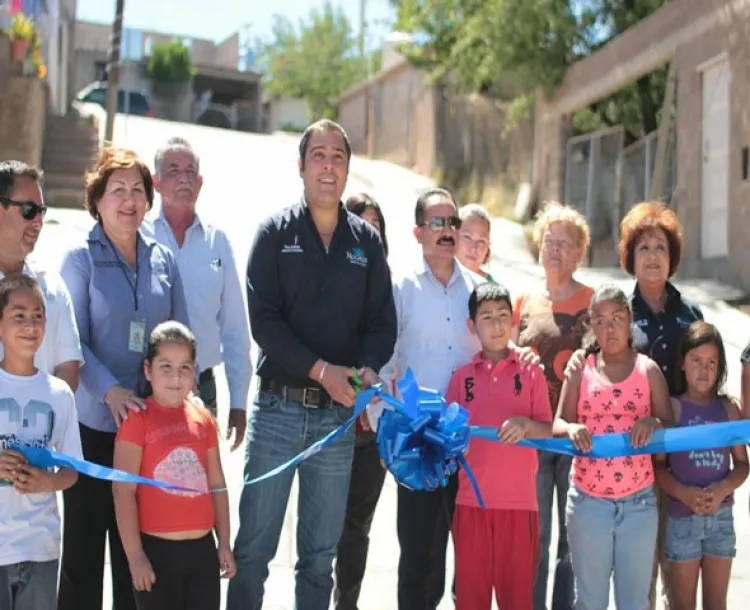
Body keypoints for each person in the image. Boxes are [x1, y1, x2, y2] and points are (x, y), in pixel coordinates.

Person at [227, 119, 397, 610]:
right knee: (254, 548)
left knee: (319, 556)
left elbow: (382, 324)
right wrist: (321, 369)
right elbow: (265, 322)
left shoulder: (366, 242)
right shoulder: (274, 234)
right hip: (278, 411)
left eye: (338, 157)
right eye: (318, 155)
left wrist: (365, 368)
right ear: (300, 166)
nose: (328, 165)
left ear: (347, 170)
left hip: (336, 420)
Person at [381, 187, 539, 609]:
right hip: (418, 446)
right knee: (419, 557)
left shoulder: (478, 289)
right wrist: (385, 429)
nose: (448, 231)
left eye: (453, 222)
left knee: (469, 561)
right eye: (438, 223)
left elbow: (500, 341)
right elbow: (384, 359)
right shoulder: (399, 288)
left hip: (472, 449)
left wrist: (519, 351)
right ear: (418, 232)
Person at [58, 146, 191, 610]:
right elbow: (72, 342)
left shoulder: (163, 259)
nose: (130, 199)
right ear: (97, 200)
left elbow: (179, 336)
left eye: (138, 189)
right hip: (95, 430)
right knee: (82, 557)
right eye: (118, 190)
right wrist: (110, 391)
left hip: (149, 435)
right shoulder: (80, 260)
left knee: (137, 560)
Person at [566, 201, 703, 609]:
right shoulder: (616, 316)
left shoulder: (690, 314)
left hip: (678, 455)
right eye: (643, 248)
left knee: (677, 568)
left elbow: (706, 371)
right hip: (629, 469)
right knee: (636, 584)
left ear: (672, 256)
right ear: (630, 257)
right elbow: (589, 365)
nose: (653, 256)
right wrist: (576, 360)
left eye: (661, 247)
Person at [554, 284, 672, 610]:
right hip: (588, 503)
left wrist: (653, 423)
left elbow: (670, 425)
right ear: (591, 324)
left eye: (617, 318)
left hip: (639, 504)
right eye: (601, 320)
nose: (610, 329)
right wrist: (573, 427)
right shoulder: (581, 371)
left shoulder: (647, 371)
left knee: (634, 602)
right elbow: (558, 423)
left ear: (630, 319)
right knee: (590, 601)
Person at [113, 322, 236, 610]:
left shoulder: (203, 419)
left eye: (184, 368)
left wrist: (225, 542)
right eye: (165, 366)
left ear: (194, 373)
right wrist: (135, 557)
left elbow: (217, 483)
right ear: (148, 370)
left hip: (202, 554)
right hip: (155, 555)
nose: (175, 377)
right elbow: (123, 492)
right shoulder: (136, 422)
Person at [446, 282, 552, 610]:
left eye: (503, 316)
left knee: (517, 599)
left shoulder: (532, 372)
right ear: (472, 326)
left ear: (514, 320)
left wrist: (526, 425)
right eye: (487, 317)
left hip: (520, 507)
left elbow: (549, 429)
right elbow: (448, 438)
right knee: (471, 599)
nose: (496, 325)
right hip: (471, 504)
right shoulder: (461, 377)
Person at [144, 137, 251, 450]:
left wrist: (239, 402)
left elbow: (234, 327)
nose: (183, 178)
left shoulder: (217, 243)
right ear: (156, 182)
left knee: (196, 491)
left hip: (202, 389)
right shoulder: (140, 236)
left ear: (201, 183)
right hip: (147, 389)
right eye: (173, 170)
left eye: (190, 172)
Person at [512, 201, 593, 610]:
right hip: (532, 436)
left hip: (578, 438)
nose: (556, 248)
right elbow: (504, 357)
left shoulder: (594, 302)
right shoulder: (523, 300)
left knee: (572, 539)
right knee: (535, 538)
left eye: (566, 243)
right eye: (550, 240)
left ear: (580, 252)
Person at [0, 274, 82, 610]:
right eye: (18, 316)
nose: (29, 325)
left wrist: (48, 480)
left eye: (37, 316)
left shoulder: (60, 394)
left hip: (42, 548)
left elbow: (72, 469)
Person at [654, 321, 748, 610]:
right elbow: (658, 469)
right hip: (682, 519)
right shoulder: (673, 408)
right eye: (696, 360)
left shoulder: (728, 409)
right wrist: (684, 493)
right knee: (682, 605)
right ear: (682, 363)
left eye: (711, 362)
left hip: (721, 519)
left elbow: (742, 464)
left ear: (720, 367)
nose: (703, 369)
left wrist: (722, 489)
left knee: (716, 604)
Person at [334, 193, 389, 610]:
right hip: (326, 427)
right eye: (359, 223)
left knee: (356, 529)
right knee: (320, 529)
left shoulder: (394, 291)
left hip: (372, 433)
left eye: (376, 226)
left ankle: (346, 603)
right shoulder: (326, 286)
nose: (367, 233)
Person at [0, 161, 82, 391]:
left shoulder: (51, 285)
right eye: (29, 210)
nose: (38, 222)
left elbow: (68, 366)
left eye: (42, 211)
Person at [456, 204, 494, 281]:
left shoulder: (491, 289)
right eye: (467, 237)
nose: (473, 248)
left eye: (481, 241)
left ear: (488, 247)